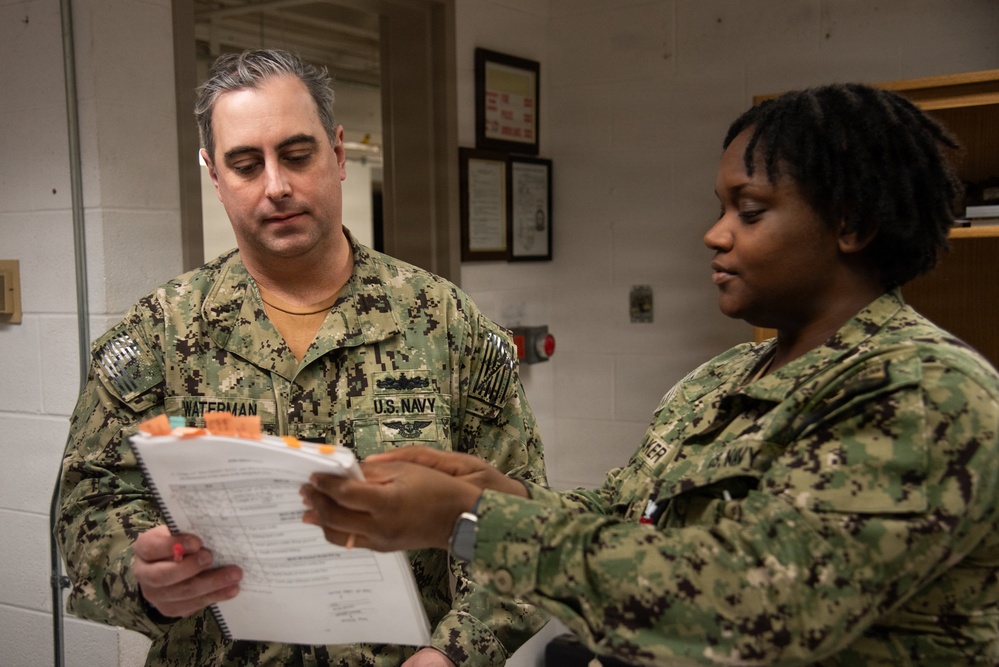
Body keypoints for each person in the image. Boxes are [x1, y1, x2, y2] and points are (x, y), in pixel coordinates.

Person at [301, 83, 999, 665]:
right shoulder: (723, 379)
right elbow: (625, 517)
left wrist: (473, 521)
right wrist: (496, 490)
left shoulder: (923, 393)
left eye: (749, 211)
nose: (715, 233)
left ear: (850, 224)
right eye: (719, 208)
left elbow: (750, 605)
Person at [57, 49, 548, 667]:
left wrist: (456, 652)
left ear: (337, 154)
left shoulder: (447, 326)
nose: (276, 186)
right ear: (213, 174)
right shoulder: (162, 333)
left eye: (296, 155)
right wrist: (139, 572)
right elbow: (87, 507)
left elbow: (522, 519)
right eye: (245, 164)